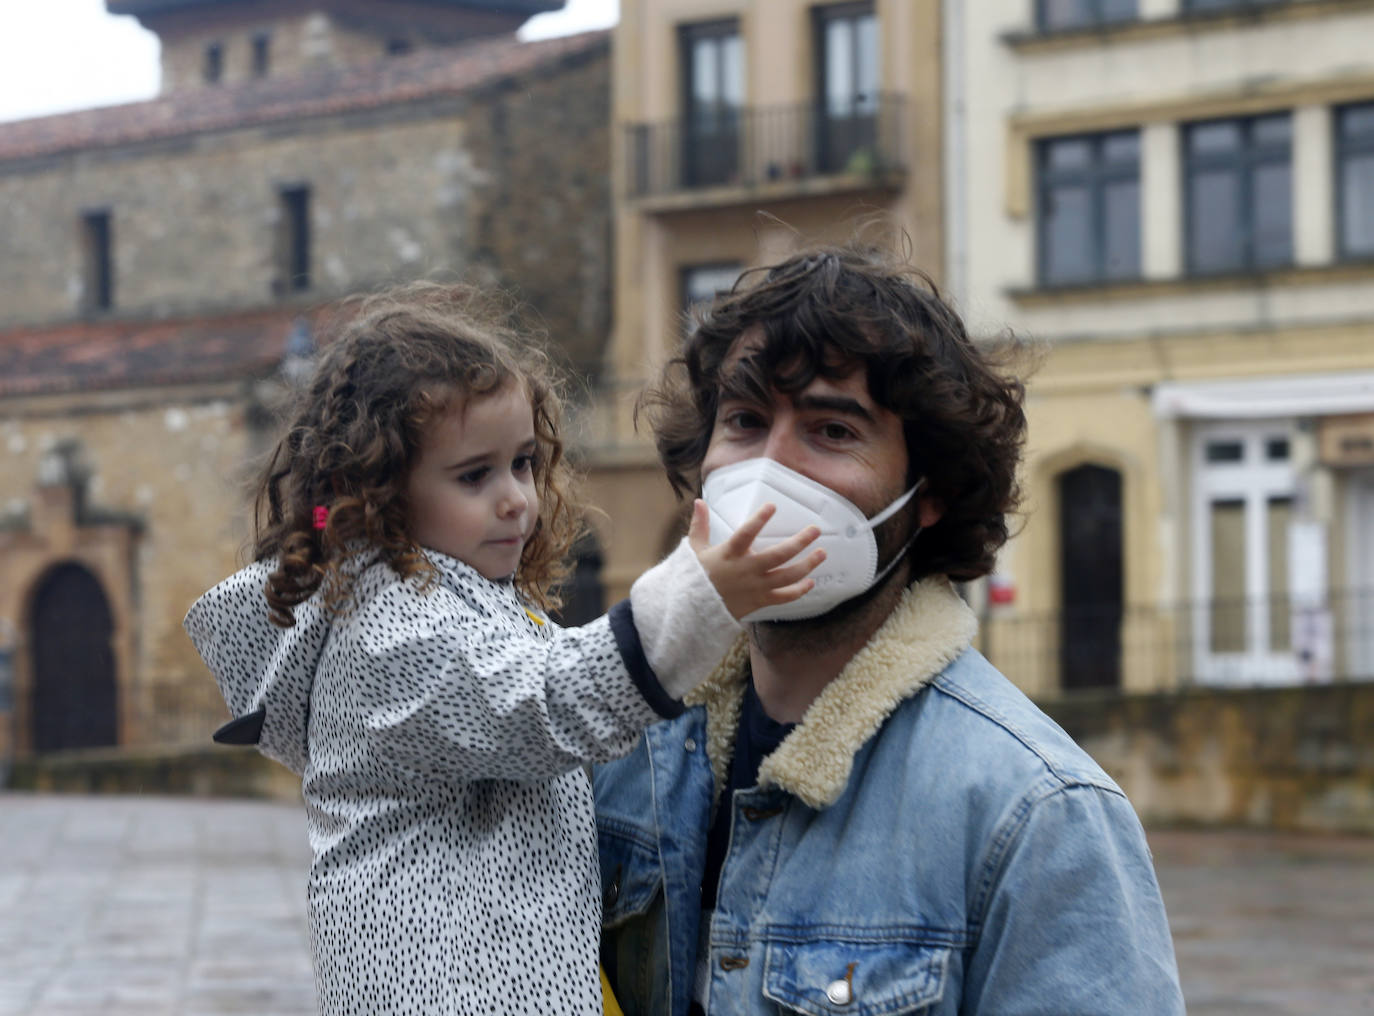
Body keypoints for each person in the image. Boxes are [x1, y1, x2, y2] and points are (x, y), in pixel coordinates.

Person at [182, 282, 824, 1016]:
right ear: (379, 493)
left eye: (522, 462)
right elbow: (549, 701)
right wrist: (700, 595)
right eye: (473, 475)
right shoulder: (390, 634)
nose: (516, 497)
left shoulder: (457, 602)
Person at [594, 245, 1186, 1015]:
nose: (771, 473)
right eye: (743, 422)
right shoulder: (618, 755)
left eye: (832, 431)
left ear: (928, 493)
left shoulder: (1036, 812)